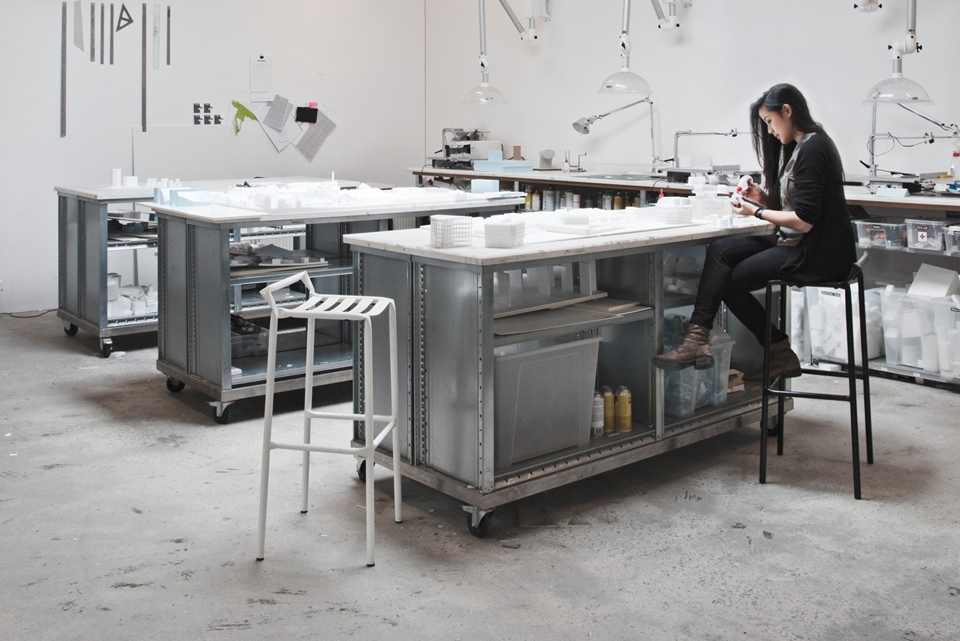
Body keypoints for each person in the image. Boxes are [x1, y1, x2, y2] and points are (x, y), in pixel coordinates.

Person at [653, 83, 856, 380]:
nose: (769, 131)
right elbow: (795, 207)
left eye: (770, 121)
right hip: (797, 242)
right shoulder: (800, 147)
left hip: (818, 253)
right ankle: (697, 341)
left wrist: (755, 211)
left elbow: (804, 221)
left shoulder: (814, 148)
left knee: (727, 282)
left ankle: (772, 351)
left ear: (787, 111)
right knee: (720, 251)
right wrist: (762, 198)